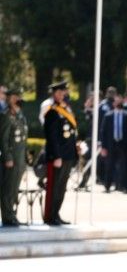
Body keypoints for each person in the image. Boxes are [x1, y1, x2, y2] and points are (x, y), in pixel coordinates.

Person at [42, 80, 77, 225]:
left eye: (64, 92)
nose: (64, 95)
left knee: (62, 187)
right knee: (54, 187)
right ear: (55, 94)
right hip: (58, 156)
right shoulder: (52, 112)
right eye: (61, 92)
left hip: (68, 155)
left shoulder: (66, 110)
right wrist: (56, 156)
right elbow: (52, 137)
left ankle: (56, 213)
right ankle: (50, 216)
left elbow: (70, 133)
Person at [99, 94, 127, 194]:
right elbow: (103, 132)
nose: (118, 103)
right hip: (111, 145)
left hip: (124, 145)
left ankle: (123, 186)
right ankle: (107, 186)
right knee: (109, 166)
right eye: (116, 101)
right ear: (113, 103)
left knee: (124, 167)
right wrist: (103, 147)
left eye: (120, 101)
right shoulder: (108, 116)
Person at [0, 88, 28, 226]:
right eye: (16, 96)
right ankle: (7, 216)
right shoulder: (6, 115)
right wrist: (8, 157)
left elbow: (23, 138)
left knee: (15, 188)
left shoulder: (20, 114)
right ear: (10, 98)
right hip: (11, 158)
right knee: (8, 188)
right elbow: (3, 139)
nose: (19, 98)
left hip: (20, 158)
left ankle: (12, 214)